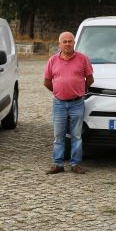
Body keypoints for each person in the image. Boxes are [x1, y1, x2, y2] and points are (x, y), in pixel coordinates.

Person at [43, 31, 94, 175]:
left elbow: (90, 79)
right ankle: (58, 163)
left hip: (77, 103)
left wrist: (79, 90)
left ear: (74, 43)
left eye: (70, 41)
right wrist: (58, 91)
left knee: (76, 136)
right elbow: (46, 81)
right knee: (58, 136)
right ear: (59, 44)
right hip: (59, 103)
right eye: (64, 41)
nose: (67, 44)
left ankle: (75, 163)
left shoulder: (83, 59)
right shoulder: (52, 60)